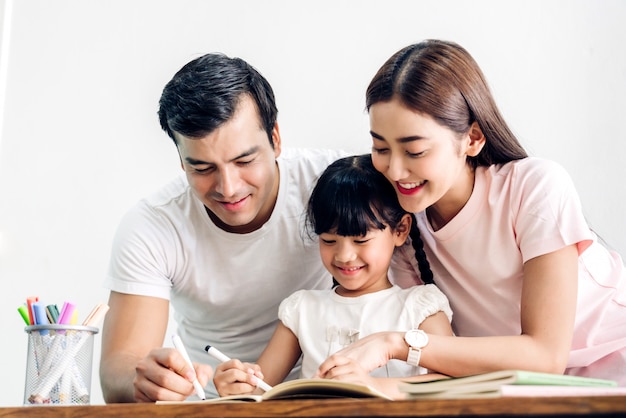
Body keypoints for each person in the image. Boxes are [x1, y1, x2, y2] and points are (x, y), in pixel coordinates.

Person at [316, 39, 626, 385]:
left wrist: (395, 344)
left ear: (473, 138)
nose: (395, 170)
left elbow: (546, 356)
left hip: (611, 369)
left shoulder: (534, 187)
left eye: (415, 151)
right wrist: (367, 386)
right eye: (380, 148)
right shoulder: (401, 224)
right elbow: (445, 364)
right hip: (513, 388)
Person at [99, 52, 347, 402]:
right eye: (202, 168)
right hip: (215, 403)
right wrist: (146, 380)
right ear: (181, 161)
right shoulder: (154, 225)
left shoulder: (334, 185)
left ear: (275, 138)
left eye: (244, 160)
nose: (228, 188)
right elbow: (118, 370)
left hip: (326, 397)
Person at [212, 154, 453, 399]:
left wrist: (372, 386)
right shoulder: (303, 309)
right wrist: (237, 384)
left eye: (361, 240)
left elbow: (452, 383)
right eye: (329, 240)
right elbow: (258, 389)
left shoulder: (421, 307)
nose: (344, 256)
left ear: (400, 229)